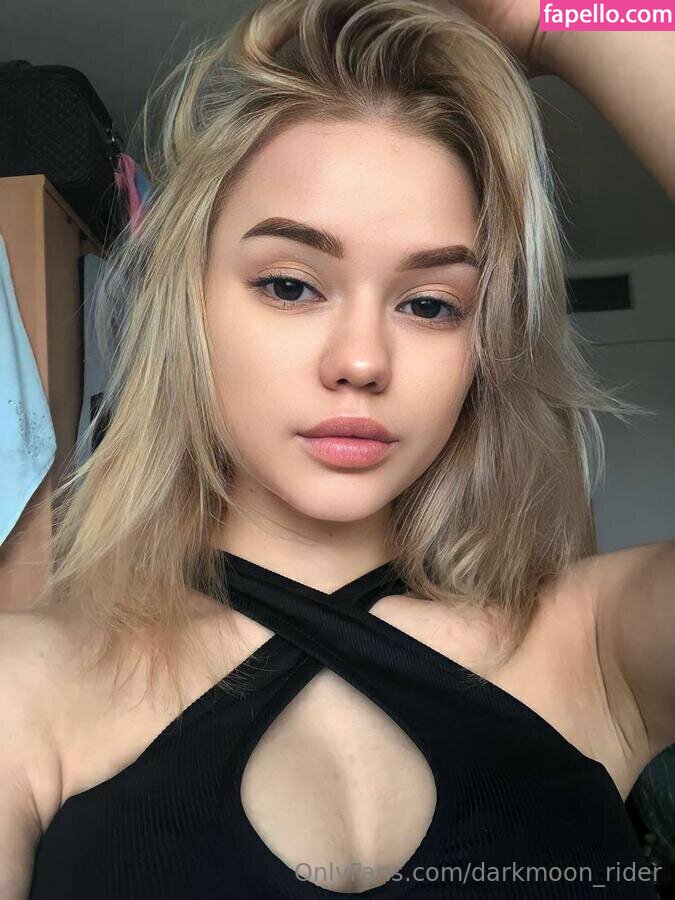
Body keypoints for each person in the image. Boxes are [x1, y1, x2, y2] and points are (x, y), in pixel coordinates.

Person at [2, 0, 674, 896]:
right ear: (189, 308)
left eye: (429, 304)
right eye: (290, 285)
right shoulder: (24, 688)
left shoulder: (591, 645)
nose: (361, 361)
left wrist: (558, 17)